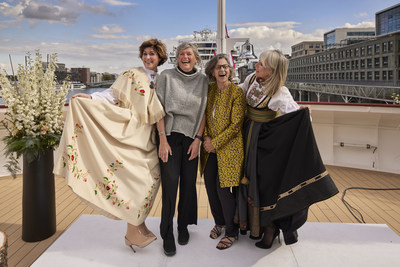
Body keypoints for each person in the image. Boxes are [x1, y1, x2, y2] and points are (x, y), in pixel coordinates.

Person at [54, 39, 168, 253]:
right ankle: (132, 230)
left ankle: (137, 223)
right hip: (129, 133)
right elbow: (112, 95)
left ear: (160, 56)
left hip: (148, 137)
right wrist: (89, 97)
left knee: (150, 179)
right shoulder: (131, 75)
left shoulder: (163, 78)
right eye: (145, 53)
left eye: (152, 54)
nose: (148, 57)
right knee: (133, 181)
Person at [238, 49, 338, 249]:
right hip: (246, 133)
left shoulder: (279, 92)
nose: (256, 66)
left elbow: (299, 117)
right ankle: (251, 225)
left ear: (272, 71)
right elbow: (236, 91)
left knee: (263, 183)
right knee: (247, 178)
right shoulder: (250, 79)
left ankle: (270, 229)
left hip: (264, 141)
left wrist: (303, 114)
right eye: (258, 62)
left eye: (261, 64)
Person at [155, 42, 208, 256]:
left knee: (188, 185)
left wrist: (198, 139)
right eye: (181, 54)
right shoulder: (166, 77)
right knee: (169, 187)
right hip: (169, 136)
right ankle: (167, 232)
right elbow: (157, 110)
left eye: (189, 54)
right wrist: (162, 140)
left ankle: (182, 226)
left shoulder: (203, 80)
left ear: (196, 58)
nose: (185, 57)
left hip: (191, 139)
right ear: (176, 58)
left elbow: (203, 111)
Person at [200, 54, 246, 250]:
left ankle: (232, 232)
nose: (223, 70)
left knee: (224, 190)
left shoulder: (236, 92)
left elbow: (236, 125)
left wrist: (215, 142)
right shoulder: (209, 90)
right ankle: (220, 222)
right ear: (212, 71)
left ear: (230, 70)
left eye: (226, 67)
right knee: (210, 187)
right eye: (219, 67)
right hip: (210, 147)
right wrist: (207, 139)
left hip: (230, 148)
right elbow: (204, 116)